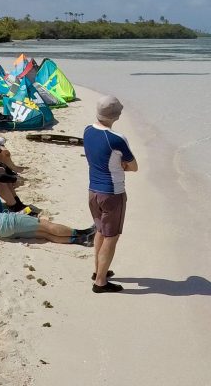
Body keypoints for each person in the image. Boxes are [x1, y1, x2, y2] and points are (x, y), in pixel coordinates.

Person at [0, 167, 95, 245]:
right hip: (1, 222)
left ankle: (81, 241)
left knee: (43, 234)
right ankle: (82, 232)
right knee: (45, 225)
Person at [83, 95, 137, 293]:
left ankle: (98, 270)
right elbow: (134, 166)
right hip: (112, 194)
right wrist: (122, 165)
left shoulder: (88, 130)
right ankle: (100, 282)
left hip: (93, 192)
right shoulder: (117, 138)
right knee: (111, 237)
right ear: (116, 115)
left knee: (100, 231)